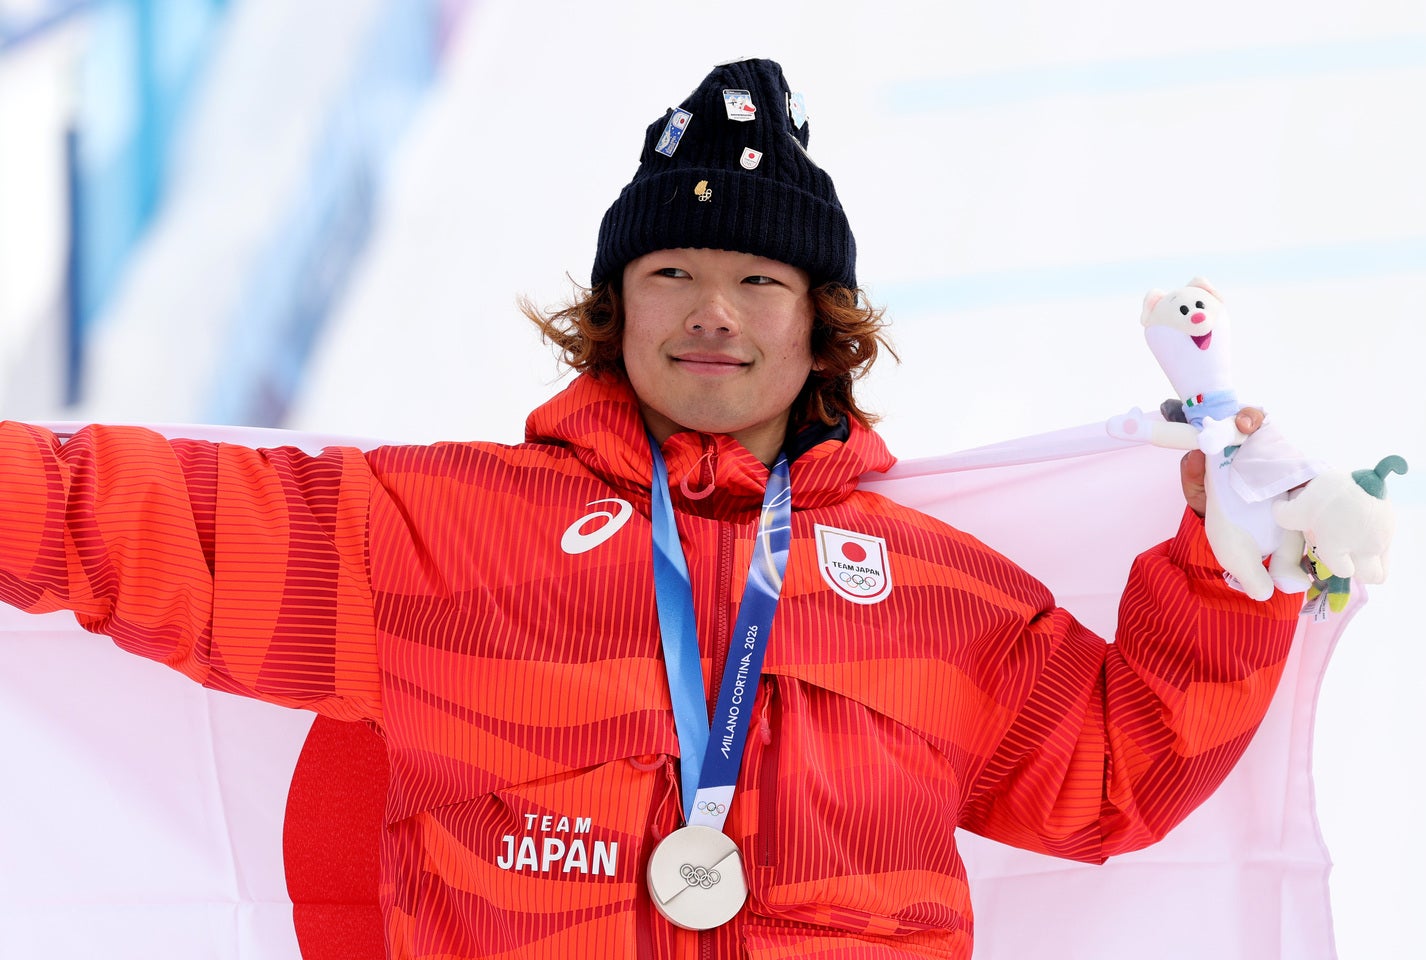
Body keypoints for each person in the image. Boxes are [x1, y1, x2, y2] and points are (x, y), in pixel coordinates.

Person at [0, 59, 1301, 959]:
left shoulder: (937, 595)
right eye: (671, 271)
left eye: (759, 280)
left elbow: (1112, 772)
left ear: (822, 326)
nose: (712, 312)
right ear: (614, 311)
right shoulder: (440, 530)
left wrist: (1231, 577)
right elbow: (132, 520)